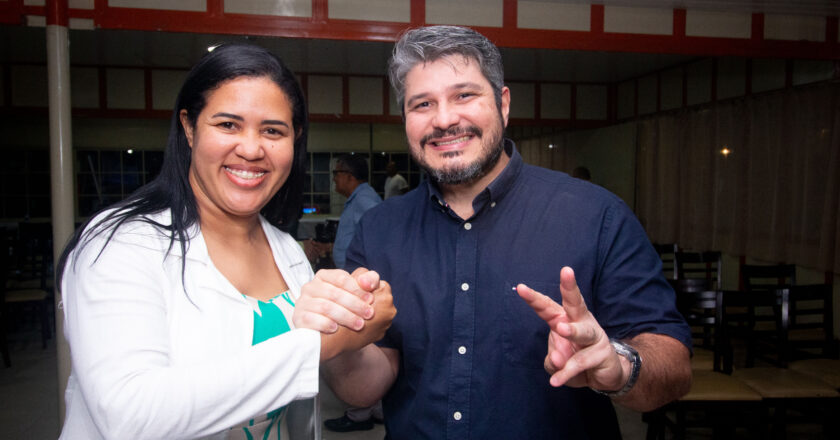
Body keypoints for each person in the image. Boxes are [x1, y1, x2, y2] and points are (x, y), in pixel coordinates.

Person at [304, 26, 692, 439]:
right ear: (405, 119)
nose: (444, 119)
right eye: (422, 104)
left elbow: (674, 365)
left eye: (464, 95)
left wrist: (618, 366)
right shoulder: (381, 229)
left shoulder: (596, 216)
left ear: (503, 104)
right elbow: (363, 388)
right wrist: (333, 341)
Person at [56, 43, 394, 439]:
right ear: (188, 126)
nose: (251, 149)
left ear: (294, 139)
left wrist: (355, 320)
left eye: (272, 130)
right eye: (228, 125)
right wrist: (315, 346)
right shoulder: (121, 245)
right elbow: (130, 417)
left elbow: (359, 388)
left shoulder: (287, 252)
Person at [329, 154, 382, 270]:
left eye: (336, 173)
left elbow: (379, 236)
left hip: (358, 279)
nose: (334, 179)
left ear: (350, 176)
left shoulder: (364, 200)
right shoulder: (358, 199)